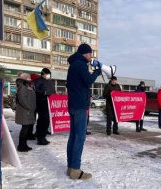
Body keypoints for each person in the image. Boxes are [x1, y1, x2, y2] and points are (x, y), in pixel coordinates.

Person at [66, 43, 101, 180]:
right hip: (80, 105)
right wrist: (97, 72)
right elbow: (87, 81)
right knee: (80, 137)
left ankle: (70, 167)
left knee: (73, 137)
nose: (91, 56)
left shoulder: (73, 64)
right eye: (90, 53)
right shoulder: (80, 64)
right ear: (84, 53)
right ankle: (75, 169)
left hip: (73, 104)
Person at [15, 73, 36, 152]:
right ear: (24, 78)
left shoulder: (29, 86)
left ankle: (24, 144)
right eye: (28, 78)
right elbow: (22, 99)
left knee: (26, 128)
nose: (30, 79)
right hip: (25, 111)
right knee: (24, 129)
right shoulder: (23, 87)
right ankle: (21, 145)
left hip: (29, 110)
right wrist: (29, 107)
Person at [34, 68, 56, 145]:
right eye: (48, 74)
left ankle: (42, 135)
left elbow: (52, 90)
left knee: (46, 120)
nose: (49, 75)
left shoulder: (49, 81)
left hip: (49, 103)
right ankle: (40, 138)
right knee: (43, 120)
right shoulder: (38, 80)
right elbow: (35, 89)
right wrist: (43, 93)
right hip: (42, 102)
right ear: (44, 74)